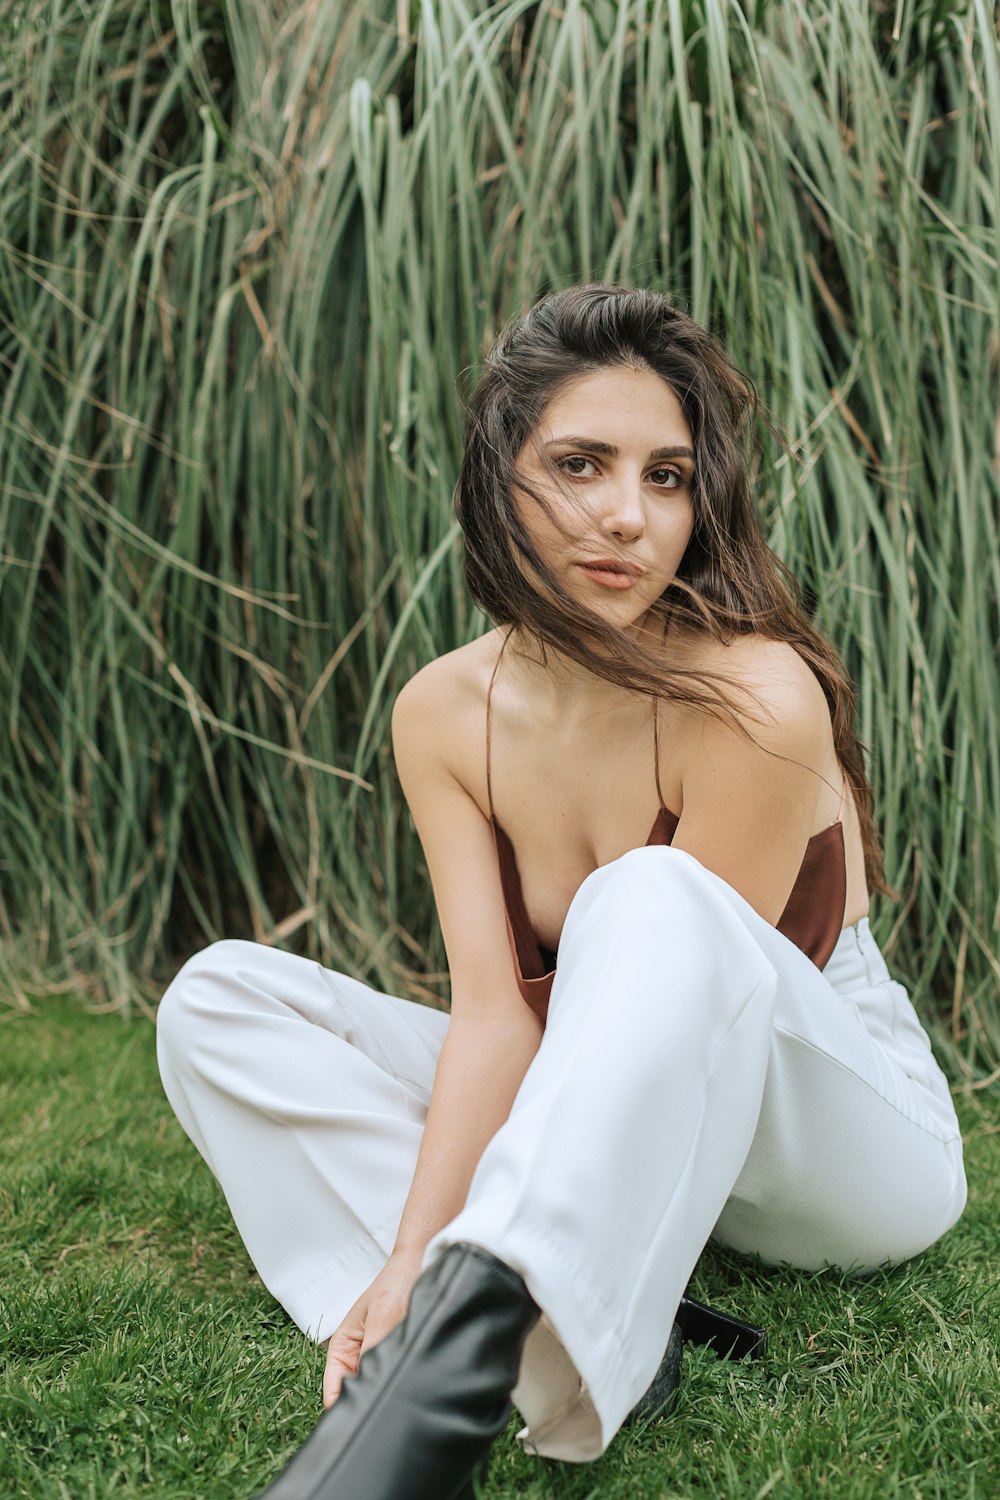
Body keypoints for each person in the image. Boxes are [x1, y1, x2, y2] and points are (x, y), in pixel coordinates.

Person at [156, 285, 967, 1500]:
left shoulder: (756, 698)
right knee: (217, 1000)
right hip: (615, 1122)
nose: (626, 516)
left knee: (645, 900)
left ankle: (438, 1389)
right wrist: (411, 1248)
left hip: (834, 1147)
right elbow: (496, 1016)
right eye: (579, 464)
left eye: (668, 477)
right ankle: (542, 1317)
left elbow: (693, 1060)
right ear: (499, 474)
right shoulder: (442, 711)